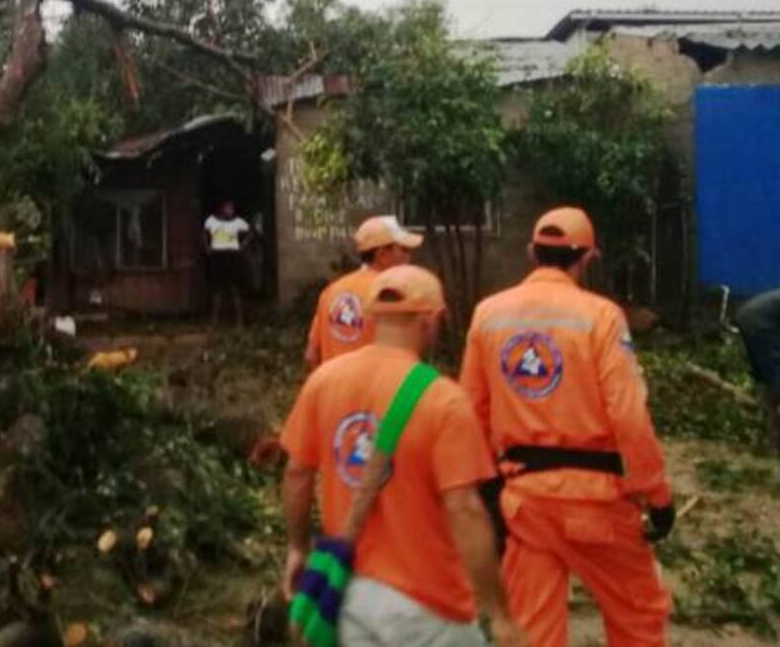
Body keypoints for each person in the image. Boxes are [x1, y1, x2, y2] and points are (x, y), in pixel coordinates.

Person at [459, 207, 674, 647]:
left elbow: (471, 412)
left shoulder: (488, 314)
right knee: (639, 617)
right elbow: (628, 414)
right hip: (600, 505)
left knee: (532, 629)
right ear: (587, 258)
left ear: (530, 253)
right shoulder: (602, 316)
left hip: (527, 503)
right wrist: (656, 492)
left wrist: (485, 492)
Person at [281, 265, 527, 647]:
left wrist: (297, 548)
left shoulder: (324, 381)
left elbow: (297, 473)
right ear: (430, 321)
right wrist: (498, 612)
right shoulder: (443, 400)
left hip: (349, 596)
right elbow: (464, 508)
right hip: (430, 605)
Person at [304, 215, 424, 370]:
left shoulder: (332, 291)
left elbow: (312, 354)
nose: (409, 257)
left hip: (334, 390)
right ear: (381, 255)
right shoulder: (391, 296)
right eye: (404, 250)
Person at [735, 287, 780, 465]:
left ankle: (770, 437)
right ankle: (773, 440)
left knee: (770, 380)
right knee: (776, 380)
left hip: (749, 318)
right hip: (760, 325)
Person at [204, 199, 252, 328]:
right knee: (217, 289)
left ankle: (239, 322)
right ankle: (214, 321)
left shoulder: (238, 222)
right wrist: (207, 247)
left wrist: (242, 246)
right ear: (221, 209)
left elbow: (250, 233)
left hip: (233, 255)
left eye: (232, 208)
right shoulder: (211, 221)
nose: (230, 210)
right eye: (228, 208)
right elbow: (204, 233)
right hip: (217, 256)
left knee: (235, 289)